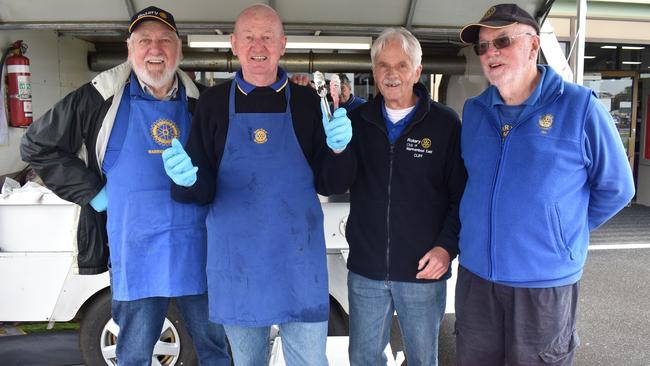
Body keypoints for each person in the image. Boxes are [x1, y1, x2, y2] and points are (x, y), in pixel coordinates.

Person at [20, 6, 230, 366]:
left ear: (178, 50)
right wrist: (94, 195)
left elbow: (231, 168)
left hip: (199, 252)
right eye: (145, 40)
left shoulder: (204, 103)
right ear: (130, 49)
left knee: (215, 351)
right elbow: (37, 145)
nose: (155, 49)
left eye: (165, 40)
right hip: (136, 252)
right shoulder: (98, 98)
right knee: (133, 355)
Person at [161, 3, 353, 366]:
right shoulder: (213, 104)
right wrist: (185, 181)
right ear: (234, 44)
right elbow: (201, 192)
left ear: (283, 44)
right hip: (238, 265)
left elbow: (331, 182)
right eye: (249, 37)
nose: (258, 46)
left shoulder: (310, 103)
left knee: (310, 361)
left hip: (298, 260)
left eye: (267, 37)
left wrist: (341, 150)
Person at [456, 4, 635, 365]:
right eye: (483, 46)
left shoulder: (579, 107)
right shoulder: (474, 111)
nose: (490, 53)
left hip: (543, 284)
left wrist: (562, 232)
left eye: (502, 41)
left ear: (533, 46)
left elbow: (617, 188)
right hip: (476, 279)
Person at [339, 27, 466, 366]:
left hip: (422, 272)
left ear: (417, 71)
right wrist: (334, 148)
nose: (391, 74)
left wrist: (446, 248)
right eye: (383, 65)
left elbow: (462, 196)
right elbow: (332, 181)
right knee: (364, 358)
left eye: (401, 65)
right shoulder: (356, 122)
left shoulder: (445, 124)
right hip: (367, 271)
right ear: (374, 71)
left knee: (423, 359)